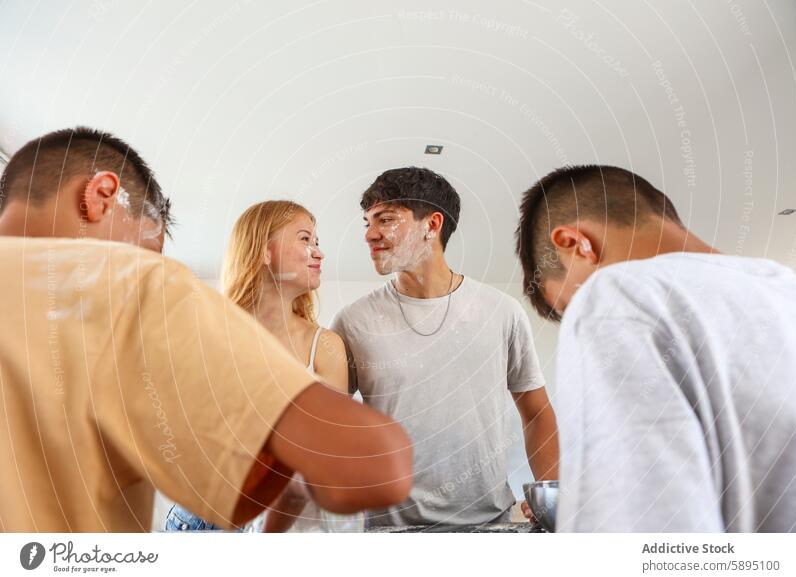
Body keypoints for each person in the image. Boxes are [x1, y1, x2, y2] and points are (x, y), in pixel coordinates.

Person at [0, 127, 412, 532]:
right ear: (103, 195)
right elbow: (373, 462)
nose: (143, 261)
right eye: (145, 249)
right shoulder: (129, 285)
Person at [515, 164, 796, 532]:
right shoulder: (786, 290)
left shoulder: (619, 294)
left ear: (575, 243)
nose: (577, 317)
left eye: (570, 305)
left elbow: (647, 540)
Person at [331, 167, 559, 528]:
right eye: (367, 222)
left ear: (432, 225)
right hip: (386, 530)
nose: (370, 234)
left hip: (488, 525)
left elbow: (536, 412)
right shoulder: (352, 321)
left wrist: (553, 494)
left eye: (386, 219)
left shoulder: (501, 312)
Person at [165, 200, 349, 532]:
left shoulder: (325, 347)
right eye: (306, 239)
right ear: (264, 252)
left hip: (279, 522)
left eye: (317, 242)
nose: (319, 253)